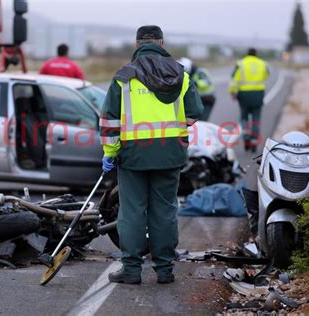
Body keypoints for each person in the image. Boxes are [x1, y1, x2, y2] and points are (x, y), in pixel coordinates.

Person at [99, 25, 203, 284]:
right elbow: (194, 112)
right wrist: (175, 129)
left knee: (132, 212)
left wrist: (110, 152)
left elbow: (110, 122)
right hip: (169, 155)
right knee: (165, 211)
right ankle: (165, 270)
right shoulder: (182, 74)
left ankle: (132, 271)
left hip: (133, 156)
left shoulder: (123, 77)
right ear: (162, 43)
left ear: (137, 45)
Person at [229, 48, 269, 152]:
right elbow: (266, 75)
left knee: (244, 117)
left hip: (244, 94)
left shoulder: (240, 64)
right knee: (256, 118)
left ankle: (246, 139)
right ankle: (254, 140)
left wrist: (232, 92)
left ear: (247, 54)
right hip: (258, 93)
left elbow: (234, 79)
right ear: (256, 54)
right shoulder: (262, 63)